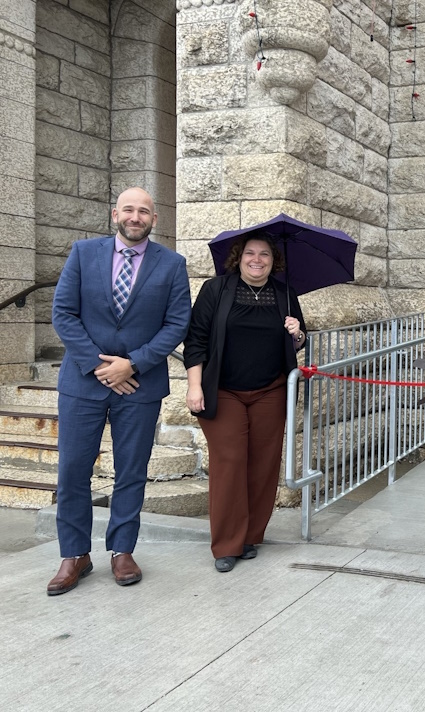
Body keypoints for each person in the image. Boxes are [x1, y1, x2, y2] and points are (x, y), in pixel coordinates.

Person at [47, 187, 191, 595]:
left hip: (139, 386)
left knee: (131, 471)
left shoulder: (172, 264)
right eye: (129, 209)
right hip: (81, 382)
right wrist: (98, 364)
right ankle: (74, 554)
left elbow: (176, 324)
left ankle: (122, 550)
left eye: (144, 211)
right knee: (73, 470)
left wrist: (133, 363)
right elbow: (64, 313)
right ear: (115, 214)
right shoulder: (82, 253)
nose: (135, 216)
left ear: (154, 220)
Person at [183, 235, 306, 572]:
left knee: (264, 464)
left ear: (273, 261)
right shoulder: (216, 290)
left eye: (264, 254)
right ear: (238, 258)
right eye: (249, 253)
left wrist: (297, 333)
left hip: (270, 390)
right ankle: (226, 544)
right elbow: (195, 341)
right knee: (230, 461)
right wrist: (195, 386)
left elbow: (297, 341)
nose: (257, 259)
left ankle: (250, 536)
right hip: (223, 390)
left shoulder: (284, 294)